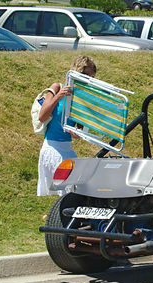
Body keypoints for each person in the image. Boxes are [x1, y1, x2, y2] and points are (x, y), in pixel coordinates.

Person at [37, 56, 97, 196]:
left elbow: (79, 131)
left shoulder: (82, 97)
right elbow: (42, 116)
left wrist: (76, 131)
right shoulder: (57, 87)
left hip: (66, 148)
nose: (88, 80)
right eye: (86, 75)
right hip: (52, 147)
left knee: (75, 190)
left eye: (92, 77)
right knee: (69, 193)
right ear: (77, 71)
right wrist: (58, 96)